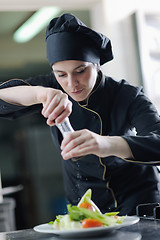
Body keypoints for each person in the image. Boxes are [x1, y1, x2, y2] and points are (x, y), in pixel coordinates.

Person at [0, 13, 160, 215]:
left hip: (138, 204)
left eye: (81, 70)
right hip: (84, 207)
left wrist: (106, 144)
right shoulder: (52, 86)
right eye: (61, 75)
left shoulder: (127, 96)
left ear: (96, 65)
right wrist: (40, 93)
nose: (71, 83)